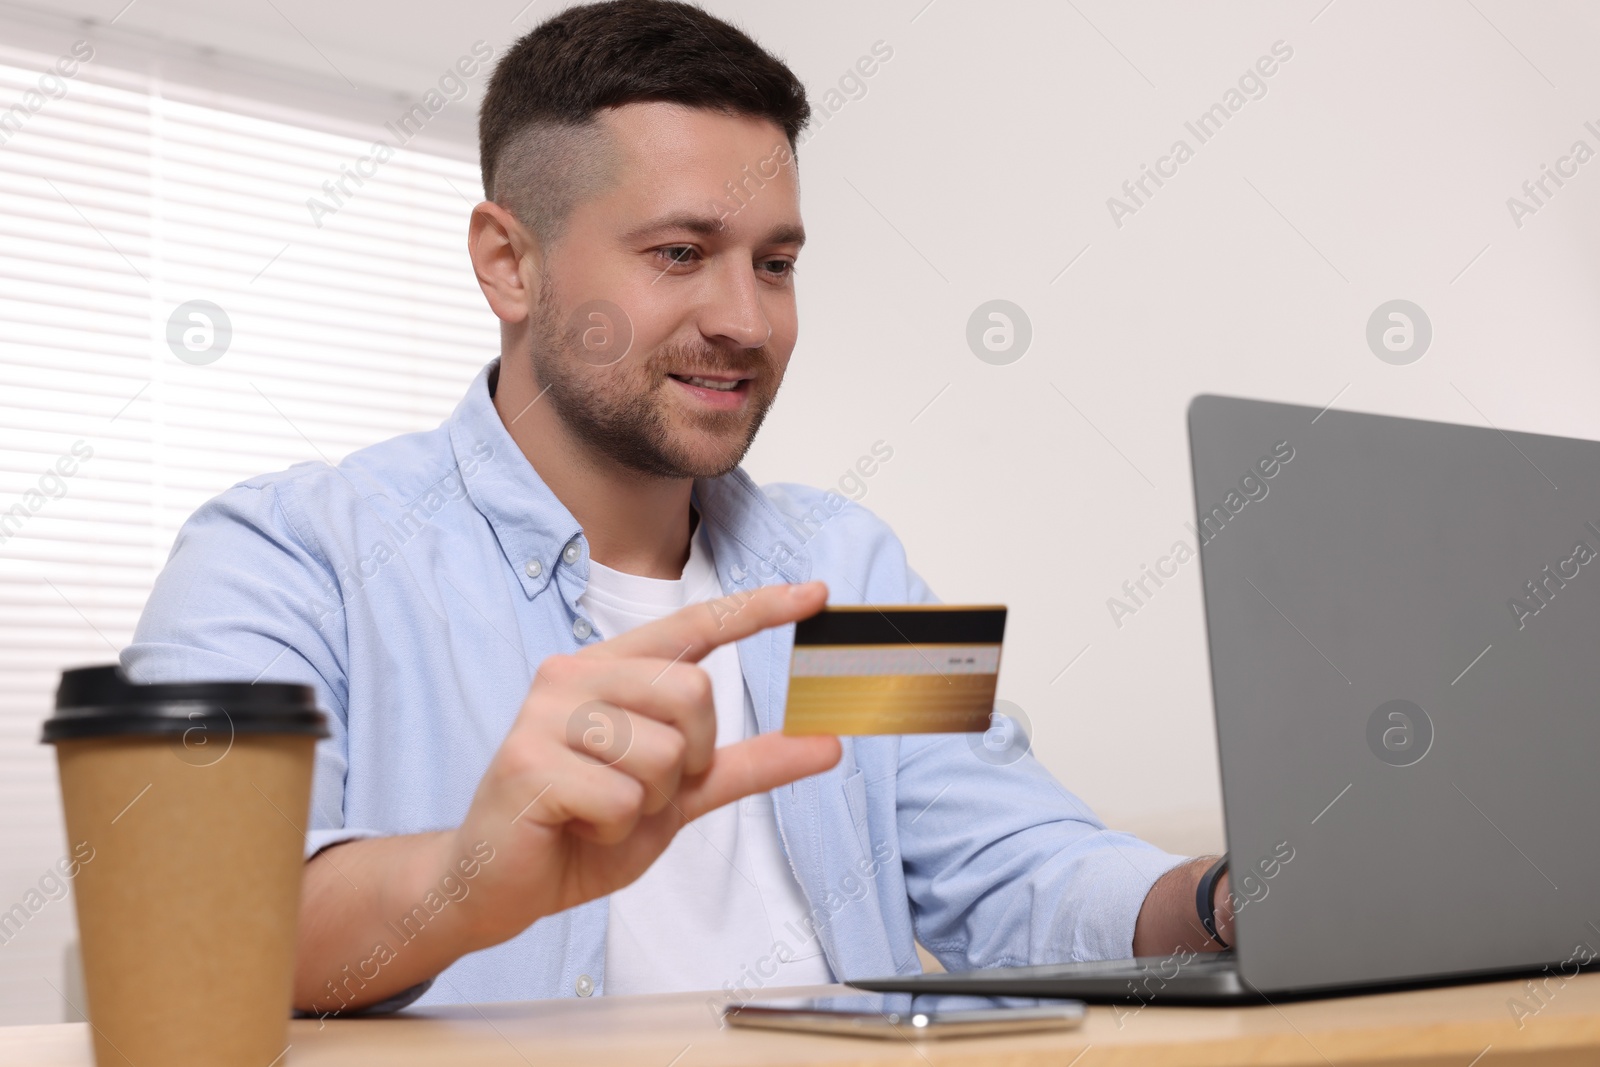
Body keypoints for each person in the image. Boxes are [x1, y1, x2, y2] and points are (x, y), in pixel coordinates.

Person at [123, 0, 1233, 1017]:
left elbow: (1016, 865)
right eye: (680, 253)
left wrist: (1231, 898)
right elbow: (196, 937)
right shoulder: (285, 555)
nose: (745, 318)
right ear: (508, 262)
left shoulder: (847, 567)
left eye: (777, 261)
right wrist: (471, 874)